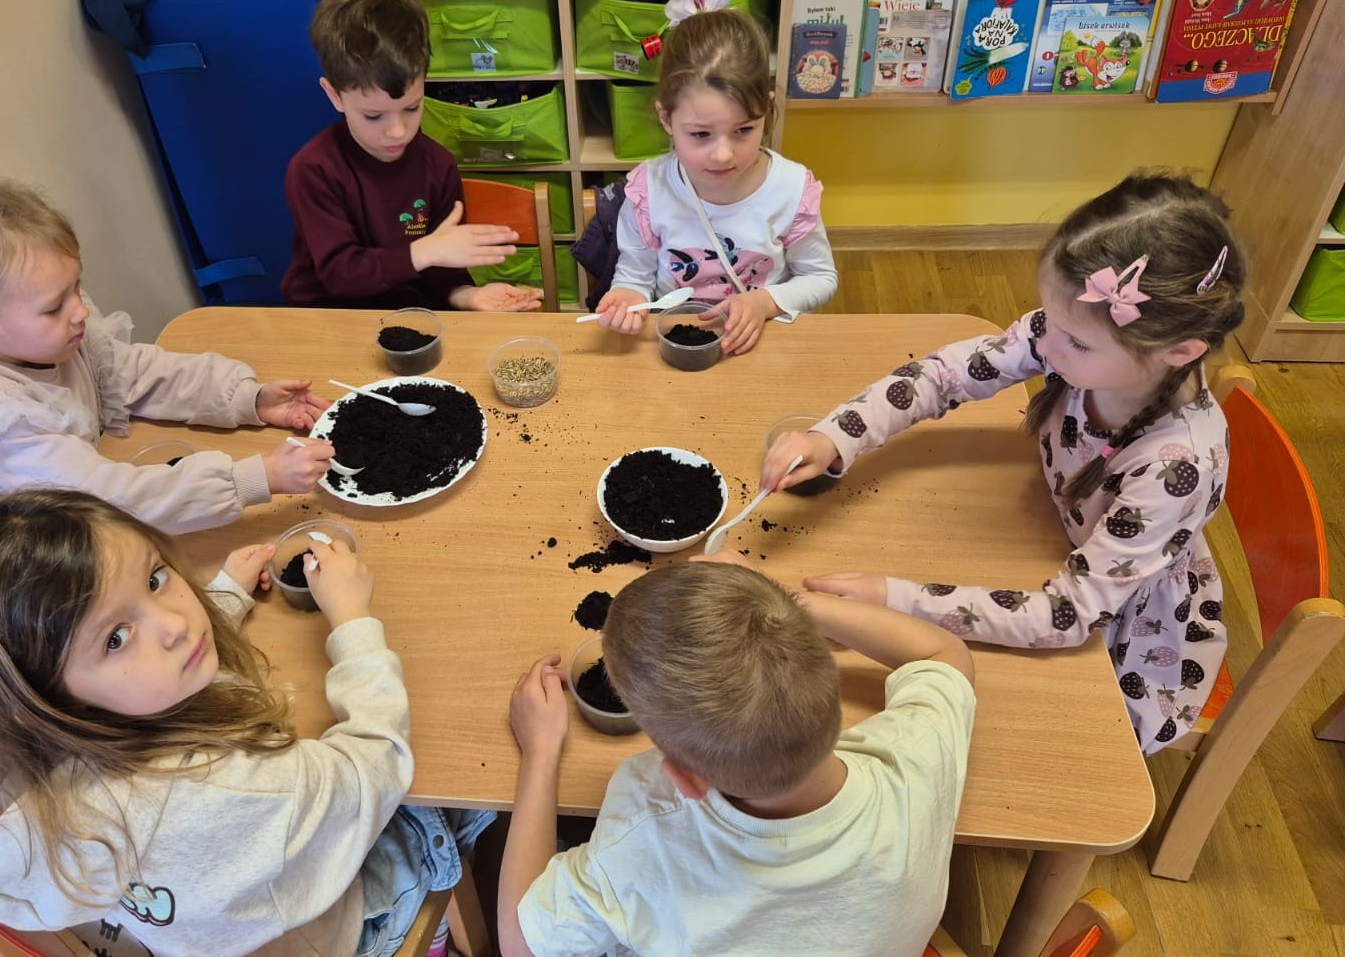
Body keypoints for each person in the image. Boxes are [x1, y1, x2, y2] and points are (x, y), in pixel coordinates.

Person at [762, 171, 1244, 754]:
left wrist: (896, 600)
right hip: (1054, 539)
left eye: (1076, 343)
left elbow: (1066, 617)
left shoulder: (1175, 467)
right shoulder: (1078, 335)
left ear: (1179, 351)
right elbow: (944, 376)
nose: (1047, 346)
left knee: (1010, 740)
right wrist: (834, 438)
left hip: (1125, 630)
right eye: (1050, 320)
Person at [0, 489, 490, 957]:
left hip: (222, 929)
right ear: (47, 697)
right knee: (466, 789)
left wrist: (227, 595)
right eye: (115, 638)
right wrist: (352, 617)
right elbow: (376, 762)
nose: (174, 624)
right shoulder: (230, 788)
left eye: (154, 578)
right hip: (325, 936)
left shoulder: (34, 776)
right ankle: (435, 936)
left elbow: (155, 639)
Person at [498, 558, 976, 957]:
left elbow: (521, 945)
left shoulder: (641, 841)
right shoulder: (914, 764)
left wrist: (541, 753)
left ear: (686, 780)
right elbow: (943, 653)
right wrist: (782, 604)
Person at [0, 180, 336, 535]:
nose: (80, 311)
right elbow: (117, 503)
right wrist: (260, 477)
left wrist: (247, 398)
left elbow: (138, 373)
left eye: (76, 288)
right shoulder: (7, 431)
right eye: (55, 306)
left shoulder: (47, 339)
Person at [594, 8, 838, 355]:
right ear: (666, 119)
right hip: (675, 346)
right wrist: (627, 298)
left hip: (762, 345)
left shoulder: (791, 190)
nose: (723, 155)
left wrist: (765, 302)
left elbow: (820, 278)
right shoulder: (648, 191)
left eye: (743, 130)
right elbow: (634, 277)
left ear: (766, 108)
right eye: (700, 134)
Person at [282, 0, 544, 313]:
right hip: (327, 314)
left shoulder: (438, 165)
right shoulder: (314, 170)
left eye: (412, 107)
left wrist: (468, 296)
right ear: (334, 95)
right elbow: (341, 274)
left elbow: (443, 276)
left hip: (409, 314)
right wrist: (423, 251)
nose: (398, 132)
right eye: (373, 116)